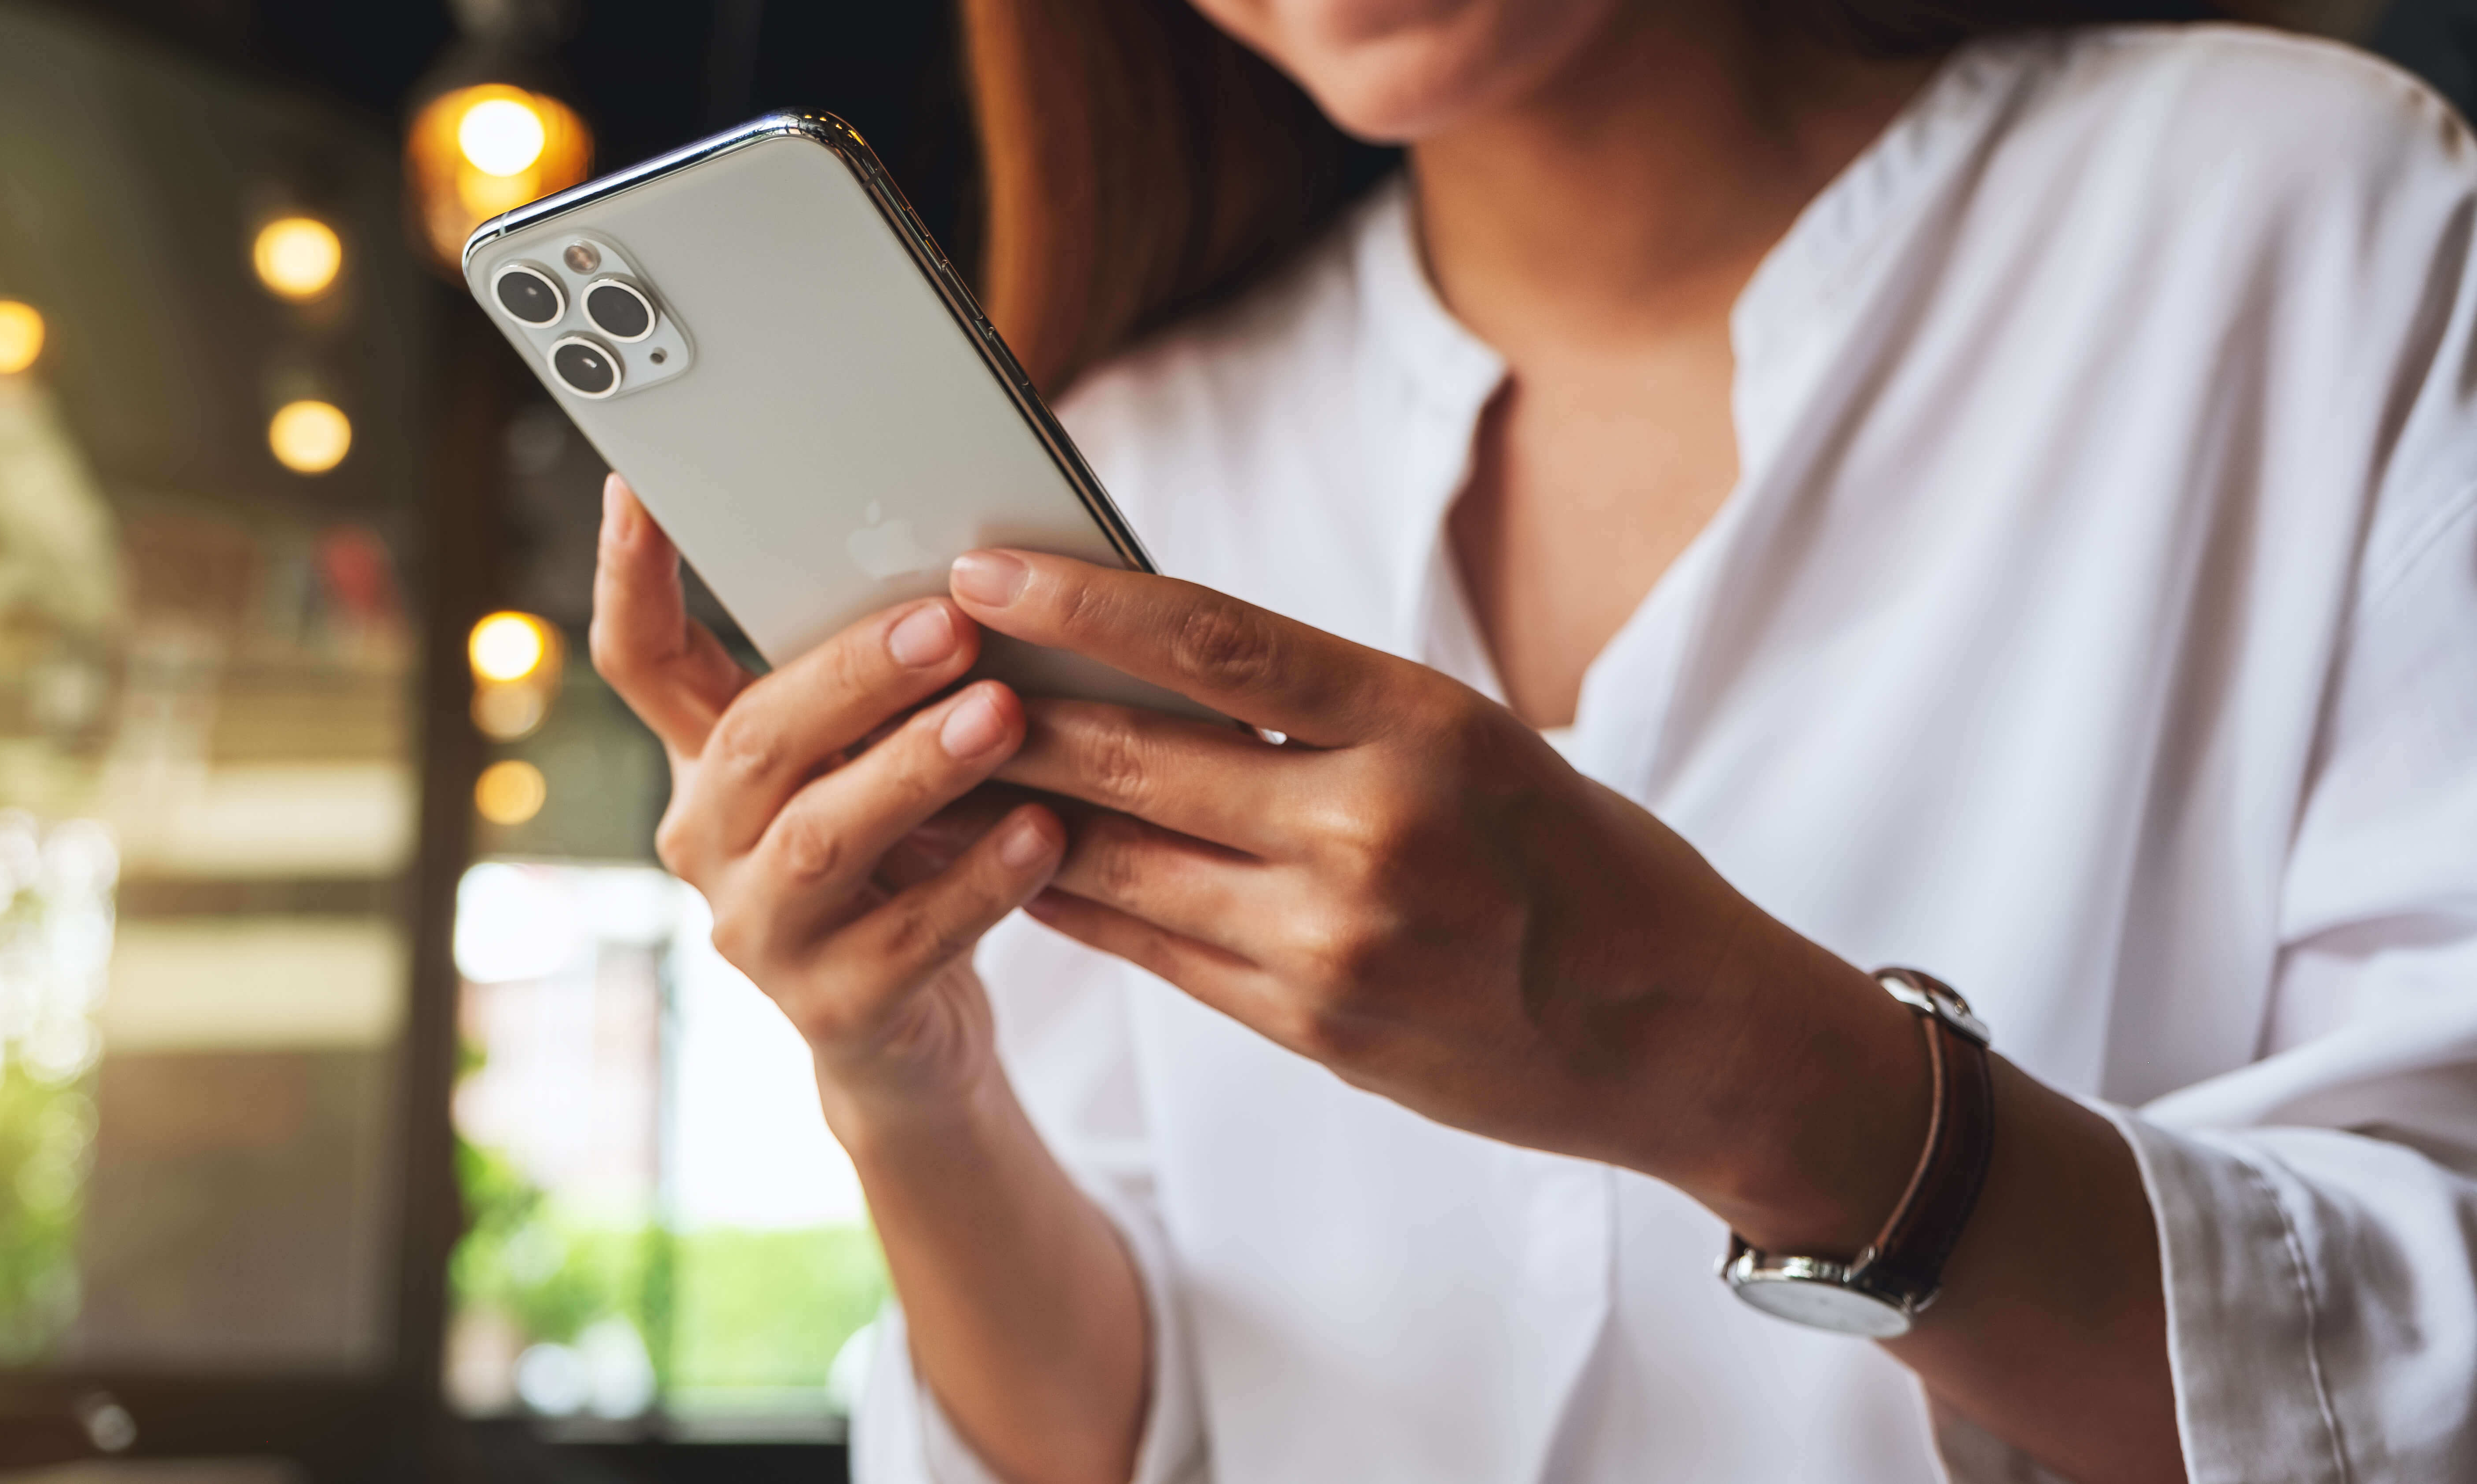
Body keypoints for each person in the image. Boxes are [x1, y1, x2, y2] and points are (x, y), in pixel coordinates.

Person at [590, 2, 2477, 1480]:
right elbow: (1117, 1436)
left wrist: (1730, 1061)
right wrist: (905, 1080)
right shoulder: (1133, 464)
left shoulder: (2302, 222)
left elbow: (2428, 1357)